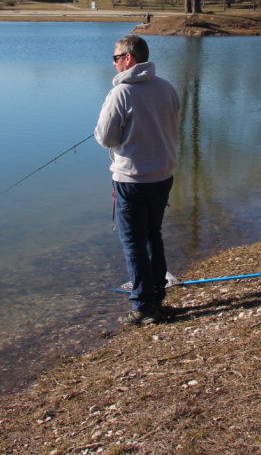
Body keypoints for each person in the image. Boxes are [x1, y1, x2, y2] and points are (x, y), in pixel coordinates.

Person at [94, 34, 180, 326]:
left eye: (116, 58)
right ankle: (156, 297)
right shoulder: (166, 88)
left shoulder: (121, 93)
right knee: (153, 234)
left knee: (133, 242)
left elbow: (105, 138)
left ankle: (143, 306)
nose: (114, 63)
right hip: (163, 176)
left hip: (131, 179)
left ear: (128, 59)